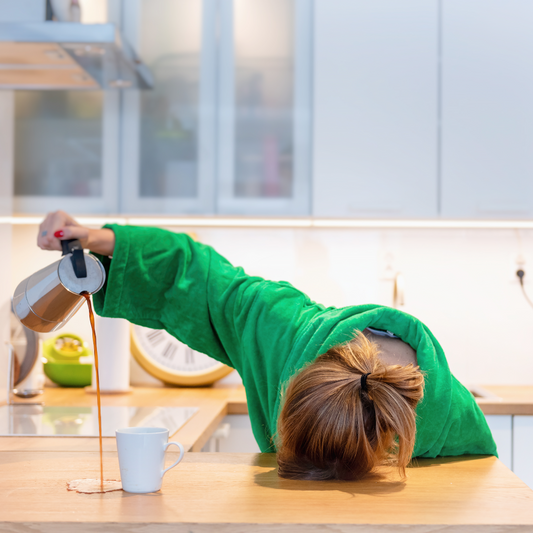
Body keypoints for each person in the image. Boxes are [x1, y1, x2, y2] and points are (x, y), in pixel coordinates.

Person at [38, 211, 497, 481]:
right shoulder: (280, 330)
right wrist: (102, 240)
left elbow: (477, 488)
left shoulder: (448, 419)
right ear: (290, 380)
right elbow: (199, 277)